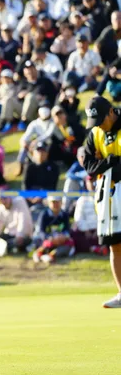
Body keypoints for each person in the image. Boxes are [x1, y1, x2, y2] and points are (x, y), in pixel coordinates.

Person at [81, 96, 121, 308]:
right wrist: (109, 162)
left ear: (111, 112)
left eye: (101, 121)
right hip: (110, 197)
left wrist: (106, 165)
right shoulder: (96, 133)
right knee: (115, 245)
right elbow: (88, 166)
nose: (98, 126)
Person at [31, 196, 74, 264]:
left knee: (68, 245)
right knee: (42, 243)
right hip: (46, 239)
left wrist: (64, 237)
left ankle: (51, 255)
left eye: (57, 202)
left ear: (61, 203)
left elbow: (67, 230)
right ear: (49, 203)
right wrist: (49, 238)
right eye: (53, 202)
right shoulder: (44, 215)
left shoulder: (64, 215)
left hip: (60, 241)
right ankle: (39, 253)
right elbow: (41, 231)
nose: (55, 204)